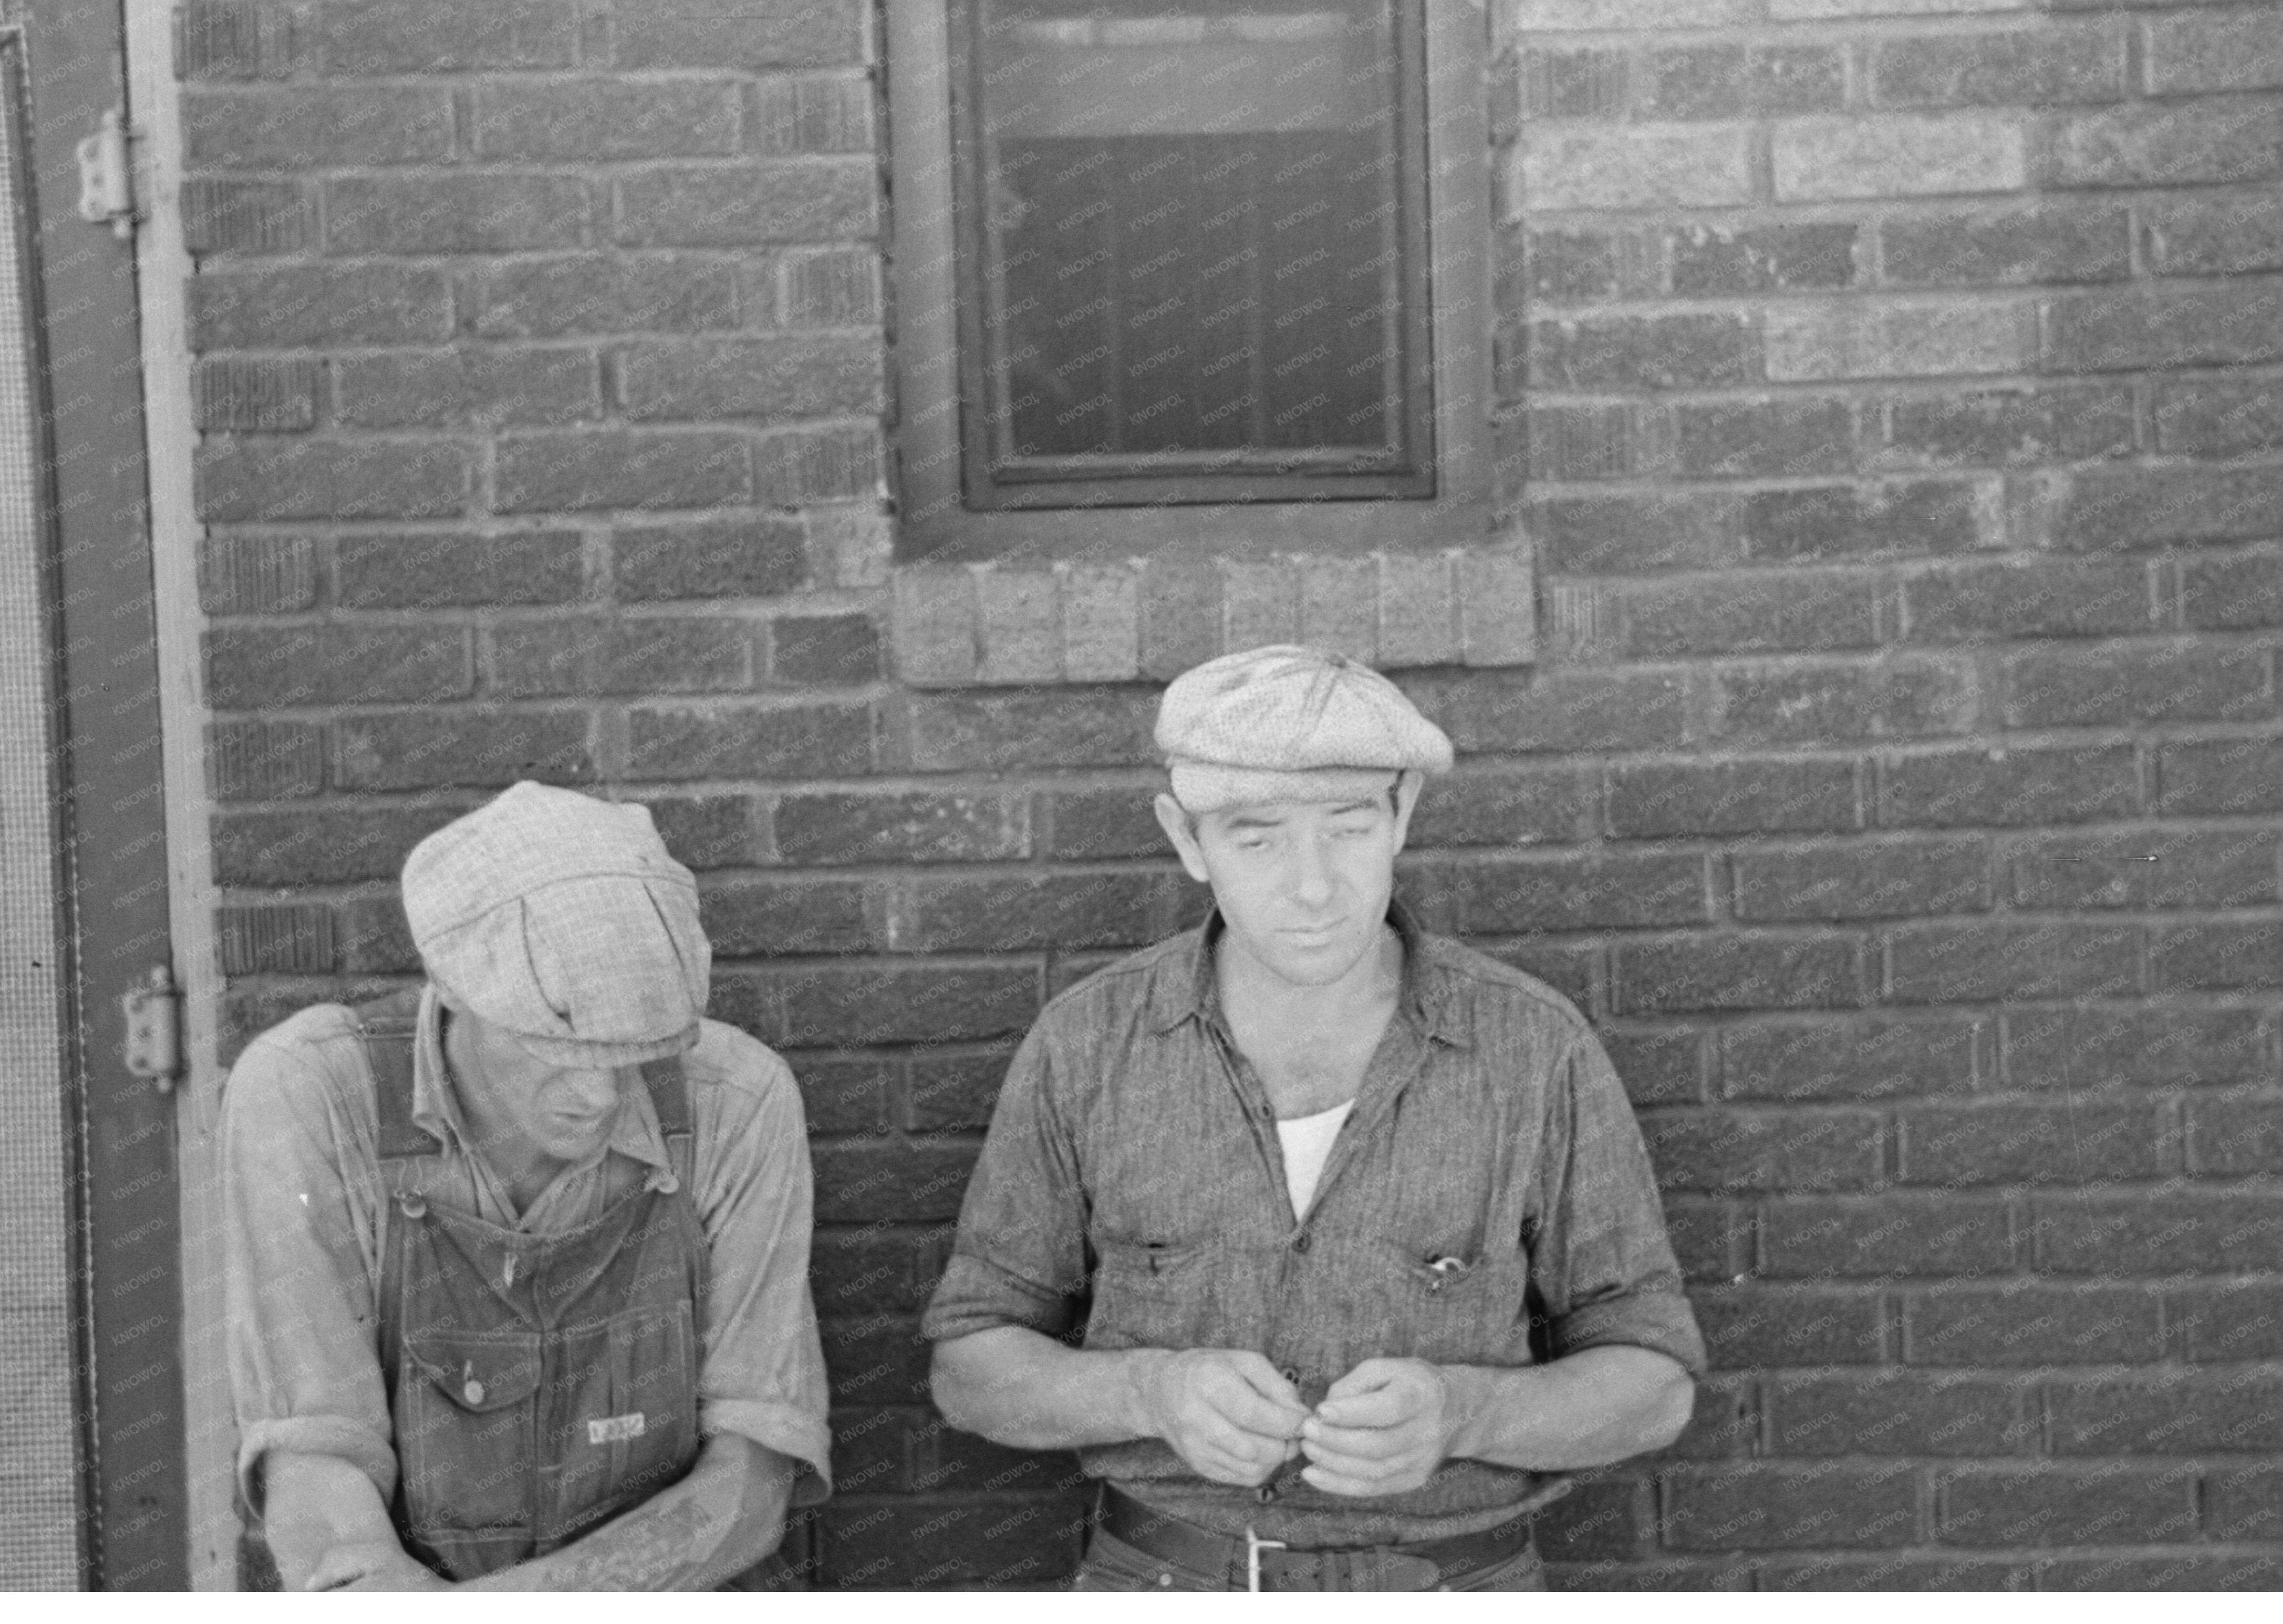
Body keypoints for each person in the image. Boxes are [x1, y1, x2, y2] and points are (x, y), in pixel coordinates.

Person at [922, 644, 1706, 1592]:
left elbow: (1654, 1384)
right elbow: (969, 1367)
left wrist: (1463, 1412)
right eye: (1257, 839)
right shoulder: (1088, 1044)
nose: (1312, 886)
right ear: (1185, 839)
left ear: (1402, 814)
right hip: (1166, 1578)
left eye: (1347, 827)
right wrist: (1149, 1390)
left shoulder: (1532, 1048)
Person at [220, 781, 831, 1590]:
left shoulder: (737, 1100)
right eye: (557, 1049)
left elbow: (749, 1484)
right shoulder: (311, 1093)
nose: (604, 1095)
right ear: (456, 994)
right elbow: (315, 1453)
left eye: (634, 1052)